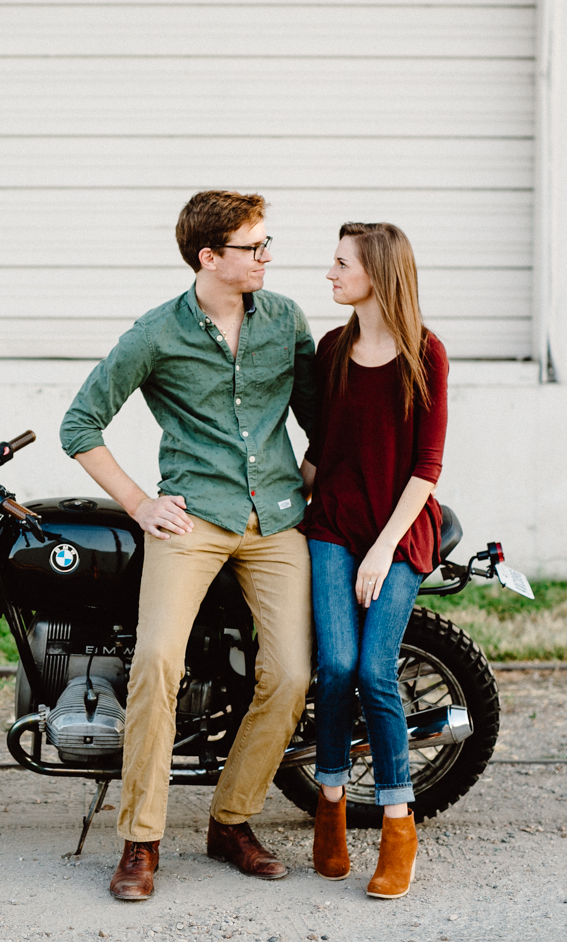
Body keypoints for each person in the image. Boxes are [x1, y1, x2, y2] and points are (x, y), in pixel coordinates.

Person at [59, 190, 318, 901]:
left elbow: (320, 418)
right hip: (193, 518)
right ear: (210, 258)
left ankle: (231, 821)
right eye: (254, 247)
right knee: (155, 663)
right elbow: (80, 424)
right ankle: (141, 841)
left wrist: (305, 481)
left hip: (275, 522)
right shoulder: (156, 333)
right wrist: (141, 501)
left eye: (268, 244)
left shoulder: (288, 320)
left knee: (292, 675)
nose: (267, 257)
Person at [299, 222, 449, 900]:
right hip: (332, 525)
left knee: (372, 670)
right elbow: (323, 447)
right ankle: (329, 804)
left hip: (398, 532)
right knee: (332, 668)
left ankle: (397, 824)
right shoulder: (333, 349)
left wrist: (384, 550)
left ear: (376, 274)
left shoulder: (426, 353)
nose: (329, 275)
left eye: (340, 264)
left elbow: (427, 467)